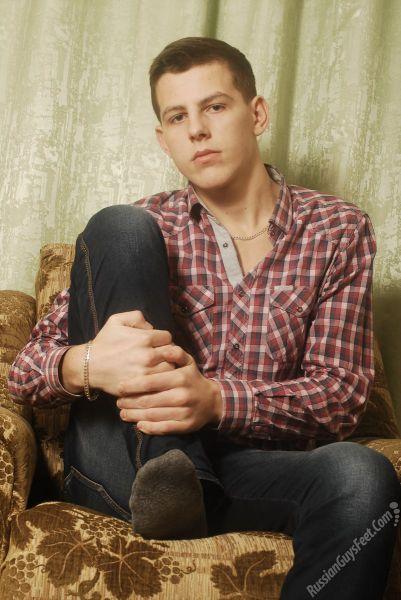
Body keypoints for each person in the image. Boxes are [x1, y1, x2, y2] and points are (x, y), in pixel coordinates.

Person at [8, 37, 401, 599]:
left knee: (363, 476)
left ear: (256, 114)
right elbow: (24, 374)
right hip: (123, 466)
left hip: (248, 470)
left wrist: (216, 401)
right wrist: (90, 363)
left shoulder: (337, 229)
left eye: (214, 106)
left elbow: (341, 395)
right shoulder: (141, 228)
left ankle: (184, 485)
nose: (196, 130)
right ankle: (168, 469)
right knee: (119, 225)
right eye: (177, 117)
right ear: (163, 138)